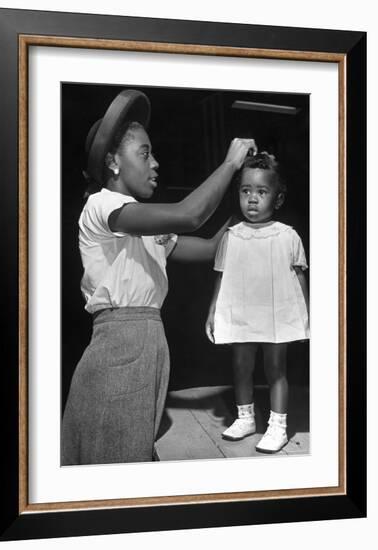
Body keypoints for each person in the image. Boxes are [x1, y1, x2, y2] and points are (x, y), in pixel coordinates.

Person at [61, 89, 257, 465]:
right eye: (144, 153)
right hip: (120, 345)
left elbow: (214, 247)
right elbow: (188, 214)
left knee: (129, 457)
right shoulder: (103, 205)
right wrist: (230, 163)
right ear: (113, 163)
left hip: (149, 342)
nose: (155, 164)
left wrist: (247, 202)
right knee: (115, 468)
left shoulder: (144, 226)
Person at [205, 152, 309, 453]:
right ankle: (245, 417)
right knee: (241, 365)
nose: (252, 199)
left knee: (276, 367)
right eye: (246, 191)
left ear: (276, 199)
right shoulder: (231, 236)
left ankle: (278, 426)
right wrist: (213, 311)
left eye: (261, 192)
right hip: (242, 310)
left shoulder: (288, 236)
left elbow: (299, 278)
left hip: (277, 312)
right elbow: (221, 277)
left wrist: (307, 316)